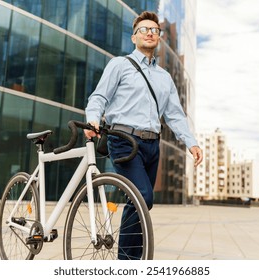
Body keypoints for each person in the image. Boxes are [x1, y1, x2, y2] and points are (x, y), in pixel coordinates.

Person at [84, 11, 203, 259]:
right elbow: (99, 97)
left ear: (158, 38)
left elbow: (175, 115)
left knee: (142, 202)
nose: (150, 33)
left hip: (152, 145)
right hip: (124, 140)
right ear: (133, 37)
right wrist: (93, 119)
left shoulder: (165, 77)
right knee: (142, 196)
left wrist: (191, 143)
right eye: (144, 30)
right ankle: (126, 262)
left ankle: (133, 260)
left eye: (154, 30)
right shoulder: (119, 64)